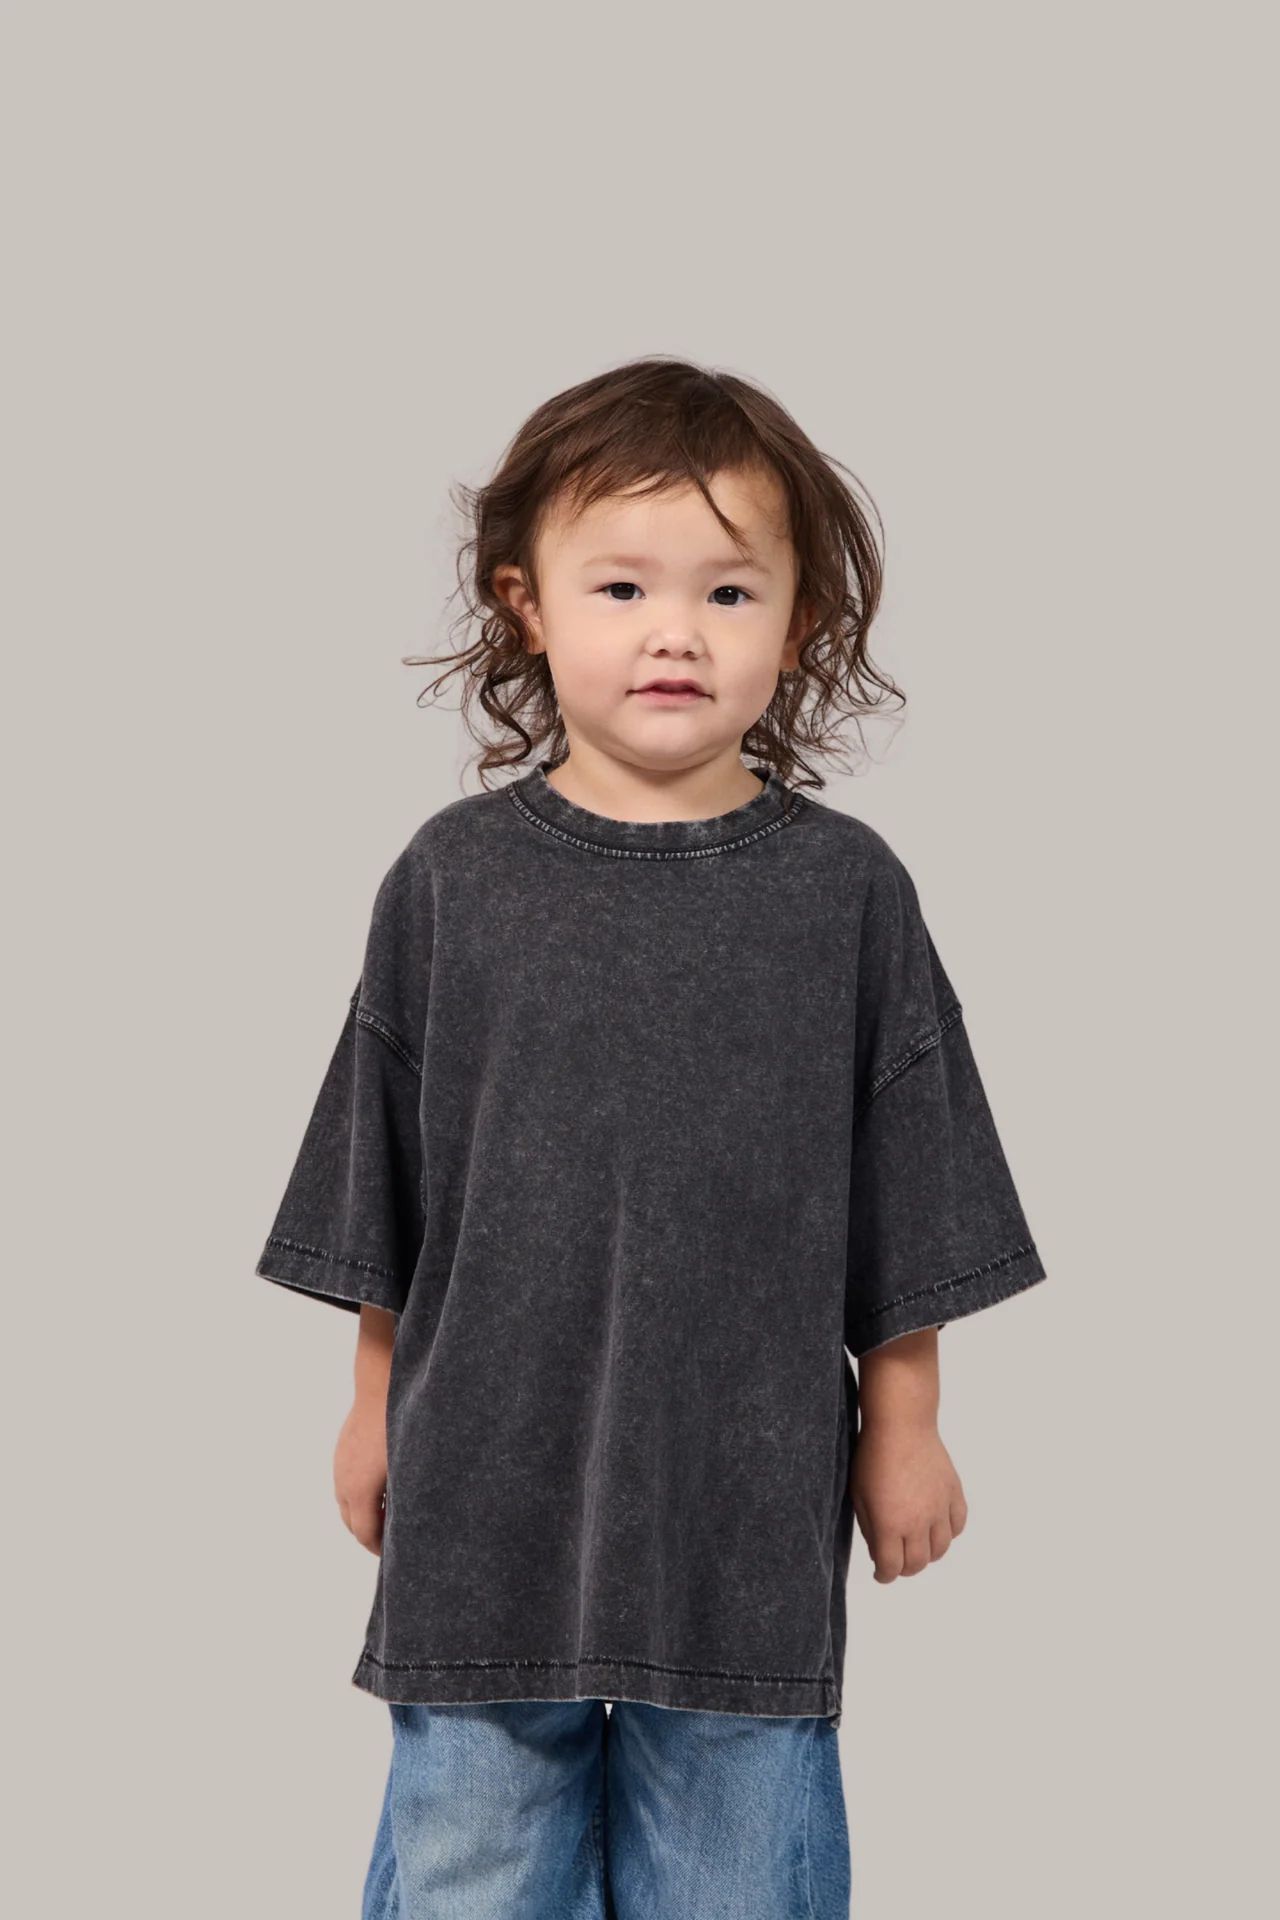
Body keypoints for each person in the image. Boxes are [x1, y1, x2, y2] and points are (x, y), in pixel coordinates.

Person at [254, 355, 1048, 1918]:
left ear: (800, 624)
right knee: (476, 1858)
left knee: (742, 1866)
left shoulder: (845, 894)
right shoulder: (451, 880)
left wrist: (907, 1422)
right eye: (621, 586)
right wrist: (367, 1405)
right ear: (527, 606)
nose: (674, 631)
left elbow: (912, 1180)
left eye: (729, 592)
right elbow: (387, 1181)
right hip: (488, 1477)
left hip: (742, 1494)